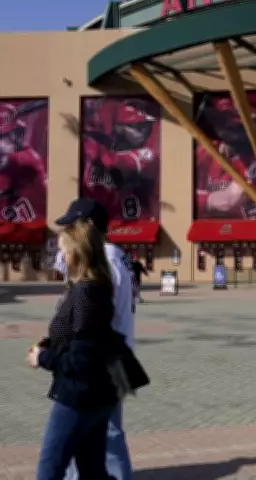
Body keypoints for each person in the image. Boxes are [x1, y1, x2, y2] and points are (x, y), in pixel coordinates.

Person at [31, 221, 120, 479]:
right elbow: (82, 335)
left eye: (63, 250)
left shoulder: (86, 293)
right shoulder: (94, 289)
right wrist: (49, 343)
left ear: (77, 254)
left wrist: (43, 357)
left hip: (78, 396)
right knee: (92, 471)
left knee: (49, 471)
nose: (60, 257)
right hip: (96, 394)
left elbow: (82, 358)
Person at [55, 198, 135, 480]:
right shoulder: (116, 255)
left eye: (71, 226)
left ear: (87, 227)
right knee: (95, 432)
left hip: (102, 358)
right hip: (109, 353)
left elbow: (96, 315)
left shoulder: (107, 259)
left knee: (106, 433)